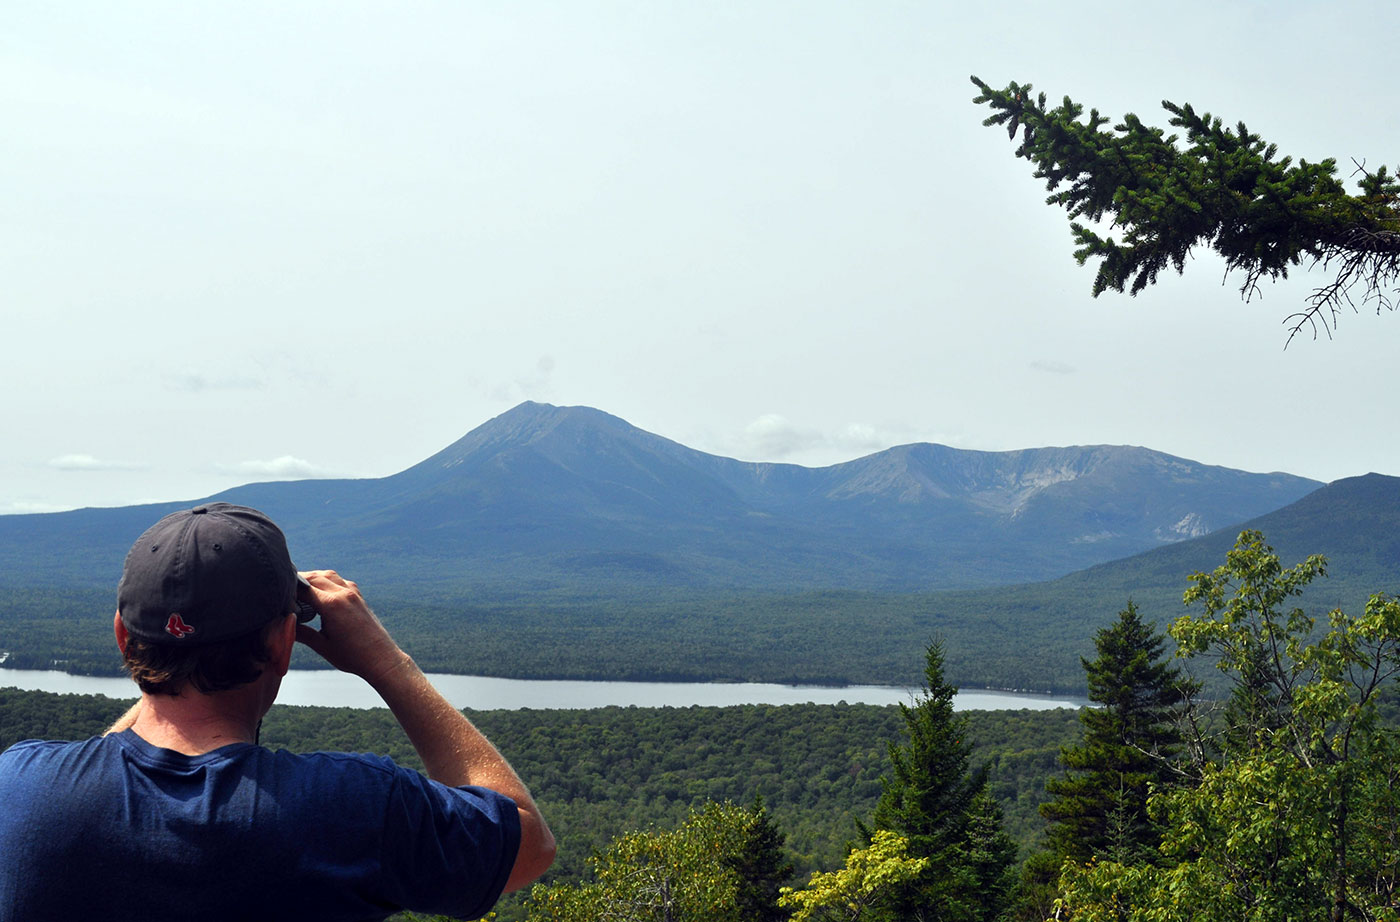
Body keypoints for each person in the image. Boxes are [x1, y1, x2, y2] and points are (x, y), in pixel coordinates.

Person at [0, 502, 555, 921]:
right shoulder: (356, 808)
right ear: (285, 644)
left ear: (123, 638)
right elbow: (527, 847)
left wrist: (164, 675)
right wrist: (390, 664)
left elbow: (110, 759)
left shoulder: (20, 787)